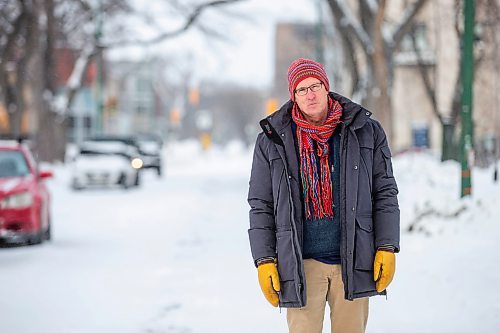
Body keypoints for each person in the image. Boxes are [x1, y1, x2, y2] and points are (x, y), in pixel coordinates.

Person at [247, 58, 400, 333]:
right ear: (293, 96)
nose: (310, 94)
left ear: (326, 87)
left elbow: (385, 192)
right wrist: (264, 259)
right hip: (301, 264)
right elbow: (261, 204)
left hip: (352, 259)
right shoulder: (273, 139)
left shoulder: (365, 130)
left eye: (315, 86)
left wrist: (387, 246)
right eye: (301, 89)